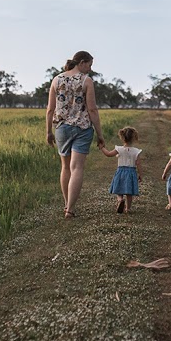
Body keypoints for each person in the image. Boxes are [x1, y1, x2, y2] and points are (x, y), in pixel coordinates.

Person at [46, 50, 105, 218]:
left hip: (62, 128)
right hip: (82, 128)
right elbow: (92, 110)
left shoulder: (56, 80)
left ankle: (67, 205)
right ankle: (70, 209)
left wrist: (48, 131)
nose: (90, 69)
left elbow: (50, 109)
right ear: (82, 62)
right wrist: (100, 134)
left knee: (65, 167)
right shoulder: (87, 81)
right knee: (77, 167)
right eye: (89, 65)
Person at [101, 126, 143, 214]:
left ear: (122, 138)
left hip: (120, 171)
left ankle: (120, 200)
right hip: (131, 172)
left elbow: (108, 154)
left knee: (119, 189)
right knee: (129, 192)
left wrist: (102, 147)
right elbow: (138, 164)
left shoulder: (119, 149)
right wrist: (140, 175)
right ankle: (128, 208)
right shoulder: (136, 151)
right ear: (134, 138)